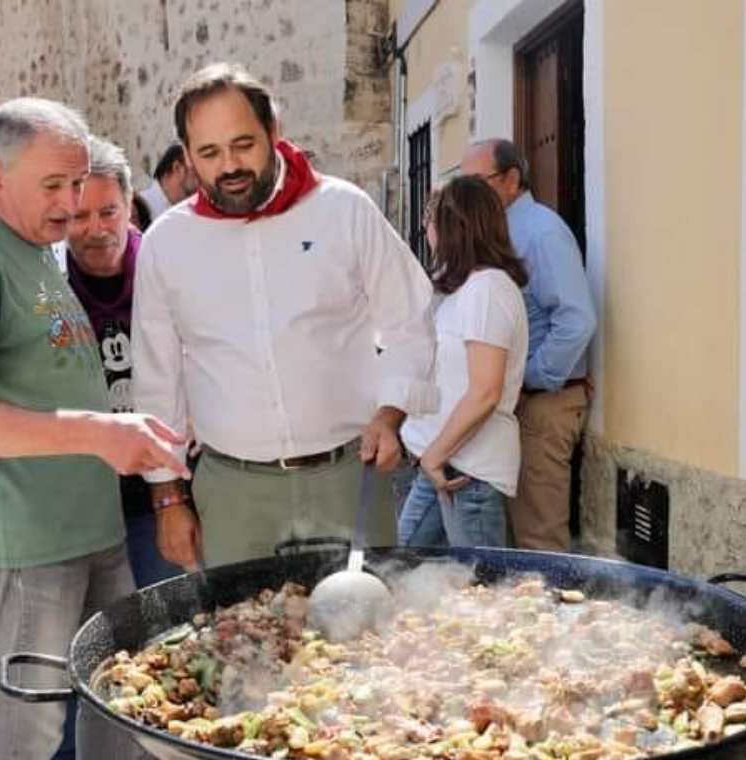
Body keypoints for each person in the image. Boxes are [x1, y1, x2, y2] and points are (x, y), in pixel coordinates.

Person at [0, 96, 187, 760]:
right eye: (53, 187)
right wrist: (99, 433)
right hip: (28, 542)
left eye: (77, 184)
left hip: (92, 531)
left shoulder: (34, 250)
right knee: (29, 725)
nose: (69, 205)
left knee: (115, 696)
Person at [133, 62, 438, 569]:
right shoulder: (167, 242)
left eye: (243, 144)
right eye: (208, 153)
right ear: (186, 157)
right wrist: (167, 500)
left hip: (348, 480)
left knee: (366, 637)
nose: (229, 165)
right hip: (233, 495)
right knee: (240, 641)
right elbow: (157, 381)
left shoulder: (344, 210)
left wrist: (391, 413)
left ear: (274, 133)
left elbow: (411, 319)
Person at [460, 139, 596, 552]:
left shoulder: (540, 231)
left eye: (476, 183)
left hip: (540, 405)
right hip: (513, 403)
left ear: (512, 179)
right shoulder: (502, 230)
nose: (468, 196)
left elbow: (576, 320)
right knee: (512, 540)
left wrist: (528, 377)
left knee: (539, 542)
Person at [397, 177, 529, 547]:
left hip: (467, 473)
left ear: (456, 226)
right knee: (404, 569)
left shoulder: (488, 289)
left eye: (431, 218)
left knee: (478, 590)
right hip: (441, 463)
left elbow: (486, 391)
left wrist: (434, 456)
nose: (426, 228)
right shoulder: (464, 289)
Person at [131, 142, 199, 230]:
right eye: (197, 170)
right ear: (177, 168)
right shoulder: (137, 211)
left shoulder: (189, 213)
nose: (204, 178)